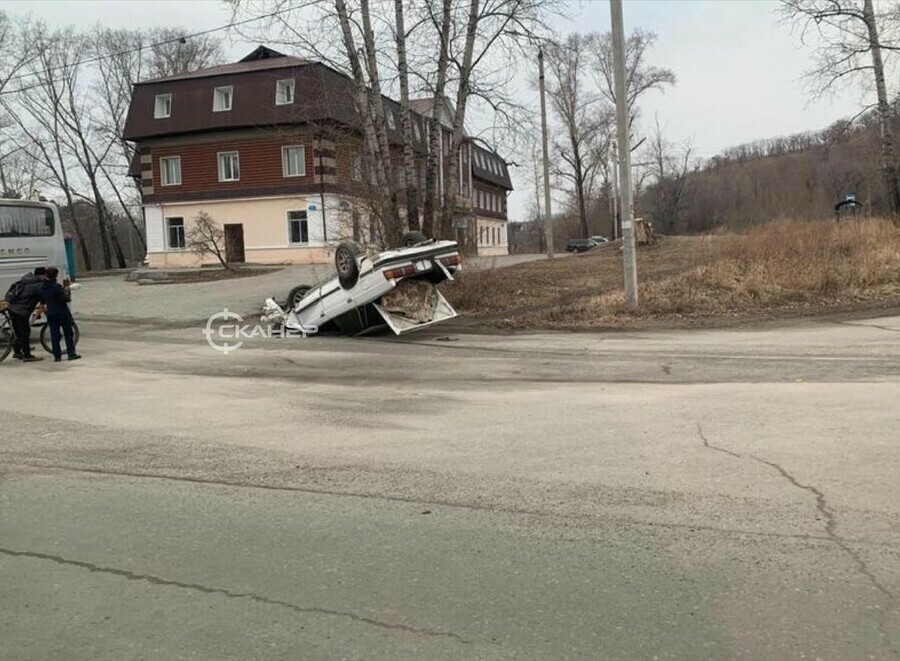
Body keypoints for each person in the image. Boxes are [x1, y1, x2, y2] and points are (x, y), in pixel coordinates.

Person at [4, 267, 47, 362]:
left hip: (12, 308)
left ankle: (17, 352)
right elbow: (44, 296)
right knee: (25, 332)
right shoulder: (39, 285)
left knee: (17, 331)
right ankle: (27, 355)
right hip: (21, 311)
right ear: (42, 275)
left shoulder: (25, 280)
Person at [40, 267, 80, 363]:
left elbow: (42, 301)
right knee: (68, 333)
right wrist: (66, 291)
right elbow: (65, 299)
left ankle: (57, 356)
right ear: (56, 275)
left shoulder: (43, 287)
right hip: (62, 312)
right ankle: (71, 353)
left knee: (54, 335)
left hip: (50, 313)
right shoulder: (57, 286)